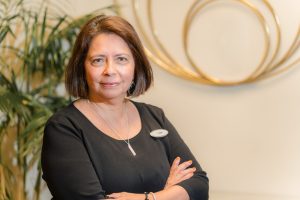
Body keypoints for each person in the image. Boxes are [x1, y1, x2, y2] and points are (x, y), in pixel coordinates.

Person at [41, 15, 209, 200]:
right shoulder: (64, 128)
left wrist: (151, 198)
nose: (110, 70)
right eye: (98, 60)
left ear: (136, 65)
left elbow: (199, 186)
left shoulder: (154, 116)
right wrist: (169, 193)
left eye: (121, 59)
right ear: (82, 67)